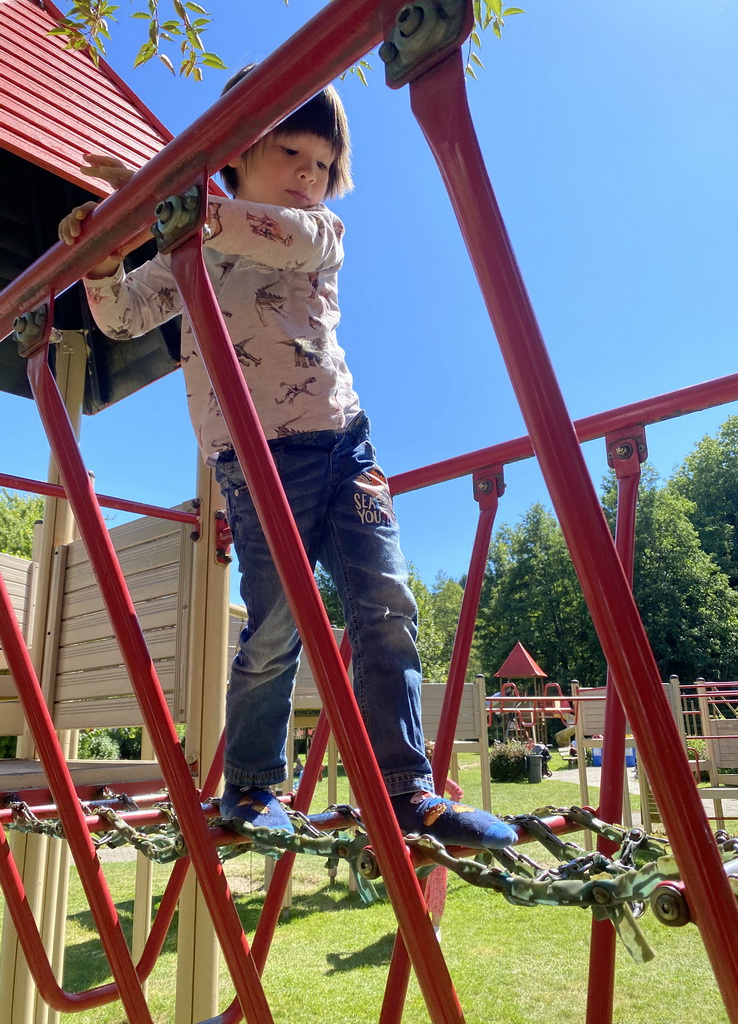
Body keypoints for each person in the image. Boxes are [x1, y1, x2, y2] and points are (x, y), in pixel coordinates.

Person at [58, 66, 515, 852]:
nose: (309, 178)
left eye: (323, 167)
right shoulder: (187, 250)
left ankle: (408, 790)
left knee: (388, 606)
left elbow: (269, 232)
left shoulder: (317, 234)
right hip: (257, 460)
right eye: (290, 155)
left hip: (345, 445)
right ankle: (251, 784)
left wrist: (168, 205)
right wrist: (104, 255)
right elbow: (125, 317)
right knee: (273, 624)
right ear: (235, 155)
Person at [422, 741, 463, 942]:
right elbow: (457, 793)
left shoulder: (434, 778)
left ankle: (435, 926)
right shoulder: (421, 780)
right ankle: (429, 924)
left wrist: (447, 812)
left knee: (435, 878)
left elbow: (457, 793)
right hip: (426, 834)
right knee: (429, 879)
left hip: (432, 834)